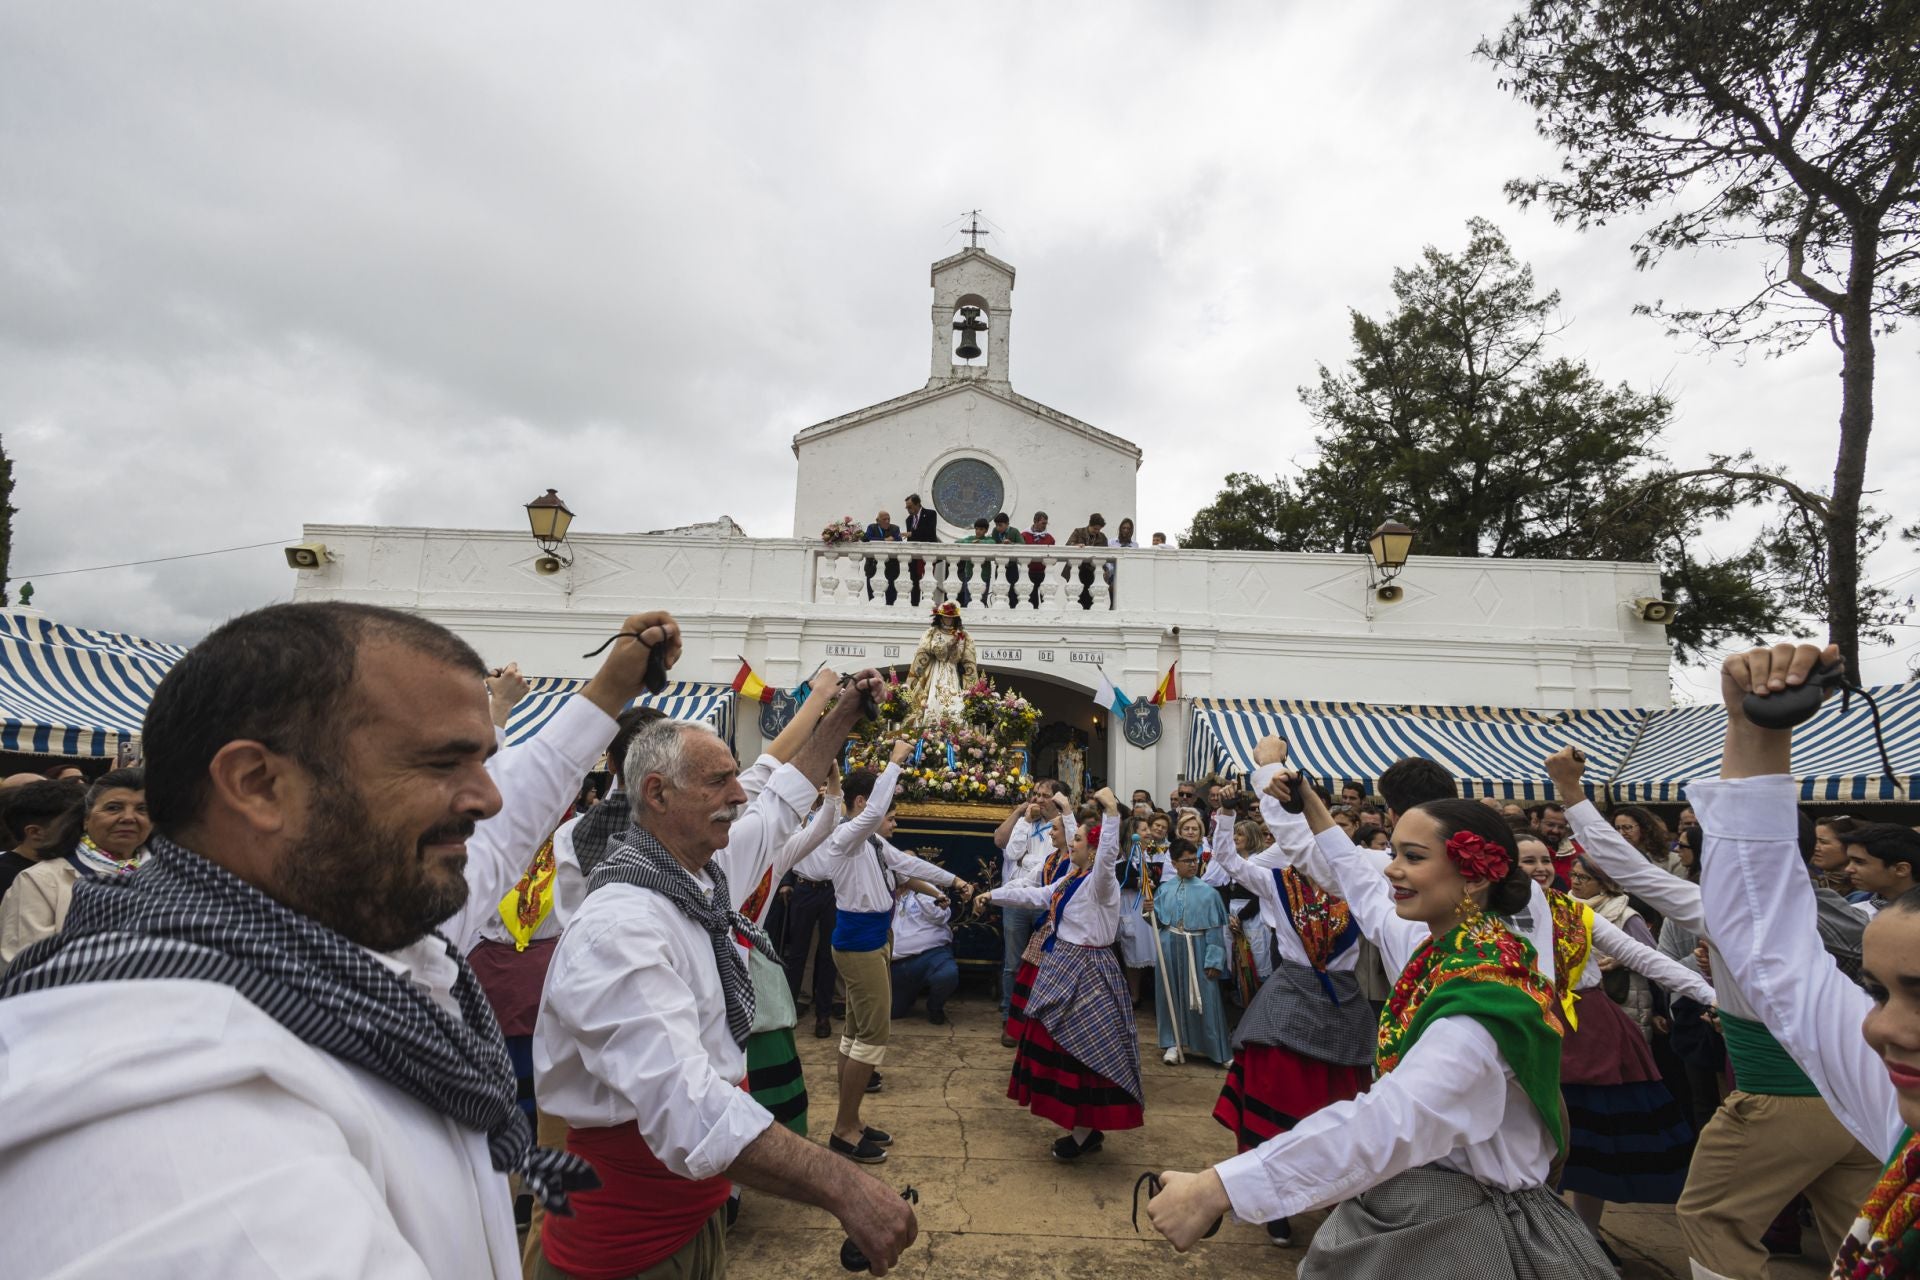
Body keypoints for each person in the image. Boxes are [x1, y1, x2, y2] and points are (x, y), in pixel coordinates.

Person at [0, 601, 668, 1277]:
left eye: (485, 762)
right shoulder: (167, 1101)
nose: (487, 798)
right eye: (442, 762)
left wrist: (611, 688)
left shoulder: (369, 917)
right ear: (259, 785)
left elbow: (516, 809)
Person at [1146, 762, 1610, 1275]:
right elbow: (1351, 872)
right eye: (1393, 853)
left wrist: (1219, 1188)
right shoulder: (1438, 944)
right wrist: (1306, 799)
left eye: (1412, 857)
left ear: (1474, 876)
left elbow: (1389, 1120)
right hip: (1424, 1196)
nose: (1389, 868)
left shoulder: (1483, 998)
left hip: (1467, 1227)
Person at [535, 705, 919, 1280]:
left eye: (735, 776)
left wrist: (838, 721)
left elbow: (783, 796)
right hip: (625, 1251)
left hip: (692, 1221)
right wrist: (844, 1187)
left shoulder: (700, 877)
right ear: (657, 794)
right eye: (719, 781)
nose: (740, 795)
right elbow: (688, 1108)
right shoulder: (621, 928)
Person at [1546, 741, 1879, 1280]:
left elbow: (1624, 866)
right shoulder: (1819, 905)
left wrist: (1570, 792)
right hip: (1852, 1102)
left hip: (1779, 1100)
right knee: (1861, 1238)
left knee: (1709, 1217)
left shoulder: (1729, 911)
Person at [1693, 641, 1920, 1280]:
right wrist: (1752, 732)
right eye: (1876, 993)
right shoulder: (1895, 1093)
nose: (1878, 1028)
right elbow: (1773, 946)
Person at [1518, 835, 1710, 1260]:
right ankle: (1537, 1237)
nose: (1540, 868)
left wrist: (1708, 994)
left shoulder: (1576, 912)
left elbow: (1642, 956)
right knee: (1530, 1143)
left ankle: (1586, 1237)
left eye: (1545, 859)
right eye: (1527, 860)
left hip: (1590, 1032)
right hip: (1526, 1030)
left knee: (1592, 1147)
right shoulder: (1487, 919)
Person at [1208, 759, 1374, 1249]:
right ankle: (1274, 1202)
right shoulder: (1279, 879)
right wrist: (1224, 817)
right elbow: (1229, 864)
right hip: (1292, 995)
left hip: (1343, 1003)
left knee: (1339, 1106)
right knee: (1277, 1101)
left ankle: (1333, 1198)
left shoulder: (1362, 882)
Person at [975, 788, 1144, 1160]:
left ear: (1095, 850)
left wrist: (1113, 812)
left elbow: (1108, 854)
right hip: (1064, 965)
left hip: (1089, 972)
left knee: (1080, 1052)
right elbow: (1039, 896)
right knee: (1060, 1048)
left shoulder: (1103, 882)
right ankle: (1084, 1128)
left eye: (1079, 839)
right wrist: (994, 895)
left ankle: (1085, 1132)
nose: (1072, 842)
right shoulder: (1072, 877)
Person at [822, 752, 969, 1162]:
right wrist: (894, 763)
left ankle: (852, 1119)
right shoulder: (845, 835)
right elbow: (871, 819)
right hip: (860, 945)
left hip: (872, 942)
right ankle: (844, 1129)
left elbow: (907, 864)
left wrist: (953, 879)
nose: (888, 815)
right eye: (882, 805)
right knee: (871, 1037)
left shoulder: (870, 840)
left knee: (856, 1034)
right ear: (861, 803)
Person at [0, 767, 149, 968]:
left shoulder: (172, 875)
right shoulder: (41, 880)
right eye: (113, 807)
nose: (129, 817)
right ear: (86, 819)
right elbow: (24, 965)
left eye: (143, 809)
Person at [991, 782, 1074, 1034]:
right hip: (1018, 898)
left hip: (1045, 901)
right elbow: (1011, 849)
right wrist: (1023, 818)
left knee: (1044, 962)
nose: (1038, 799)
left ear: (1058, 800)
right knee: (1012, 962)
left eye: (1045, 796)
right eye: (1035, 794)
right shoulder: (1026, 820)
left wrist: (1026, 859)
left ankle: (1040, 1016)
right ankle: (1010, 1014)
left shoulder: (1064, 826)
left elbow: (1060, 857)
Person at [1151, 837, 1232, 1066]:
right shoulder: (1164, 889)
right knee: (1170, 996)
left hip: (1198, 948)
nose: (1192, 864)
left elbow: (1215, 930)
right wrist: (1149, 911)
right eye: (1186, 861)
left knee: (1206, 997)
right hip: (1169, 947)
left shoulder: (1209, 893)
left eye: (1194, 859)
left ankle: (1217, 1049)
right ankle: (1172, 1043)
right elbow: (1157, 922)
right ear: (1175, 863)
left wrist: (1214, 960)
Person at [0, 778, 83, 900]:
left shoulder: (75, 867)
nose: (85, 831)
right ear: (35, 832)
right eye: (75, 825)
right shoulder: (9, 878)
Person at [904, 601, 978, 730]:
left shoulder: (961, 635)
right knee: (933, 698)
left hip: (952, 671)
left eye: (951, 618)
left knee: (956, 701)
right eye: (945, 617)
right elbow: (931, 651)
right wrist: (947, 646)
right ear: (940, 617)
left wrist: (955, 648)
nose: (948, 620)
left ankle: (954, 724)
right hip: (935, 670)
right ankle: (930, 724)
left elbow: (960, 657)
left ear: (955, 619)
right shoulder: (933, 632)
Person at [890, 887, 958, 1024]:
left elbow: (941, 916)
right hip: (896, 964)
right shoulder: (882, 890)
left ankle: (935, 1006)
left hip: (931, 955)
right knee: (892, 1013)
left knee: (947, 974)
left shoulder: (927, 891)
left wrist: (917, 888)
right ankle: (908, 996)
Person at [1844, 823, 1920, 916]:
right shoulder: (1853, 914)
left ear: (1901, 869)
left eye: (1859, 862)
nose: (1848, 869)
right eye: (1849, 861)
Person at [901, 493, 938, 606]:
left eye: (910, 507)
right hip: (915, 555)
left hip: (928, 554)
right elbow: (911, 540)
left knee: (927, 581)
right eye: (907, 507)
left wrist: (911, 533)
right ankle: (914, 604)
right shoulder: (909, 520)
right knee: (914, 581)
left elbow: (929, 531)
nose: (908, 509)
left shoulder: (930, 514)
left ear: (917, 504)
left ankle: (927, 604)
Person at [1813, 814, 1861, 897]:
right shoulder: (1812, 882)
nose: (1815, 848)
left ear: (1848, 845)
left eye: (1823, 842)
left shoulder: (1867, 889)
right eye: (1815, 841)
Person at [863, 509, 904, 604]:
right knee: (873, 598)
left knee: (891, 598)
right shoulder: (872, 527)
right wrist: (885, 540)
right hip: (873, 567)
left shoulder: (895, 528)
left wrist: (889, 539)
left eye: (888, 519)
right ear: (877, 520)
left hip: (891, 568)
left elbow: (898, 540)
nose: (887, 521)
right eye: (884, 519)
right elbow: (867, 538)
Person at [954, 516, 993, 606]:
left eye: (981, 529)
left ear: (986, 531)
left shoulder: (988, 540)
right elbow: (958, 542)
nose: (978, 531)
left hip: (984, 575)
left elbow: (992, 543)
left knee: (982, 601)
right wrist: (971, 543)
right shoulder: (971, 538)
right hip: (969, 574)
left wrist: (979, 542)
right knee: (968, 601)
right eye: (977, 529)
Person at [1022, 510, 1055, 607]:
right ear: (1035, 522)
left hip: (1044, 573)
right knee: (1031, 601)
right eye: (1042, 523)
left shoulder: (1050, 538)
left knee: (1046, 600)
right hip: (1029, 572)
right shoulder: (1024, 535)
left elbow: (1053, 556)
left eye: (1046, 523)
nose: (1044, 526)